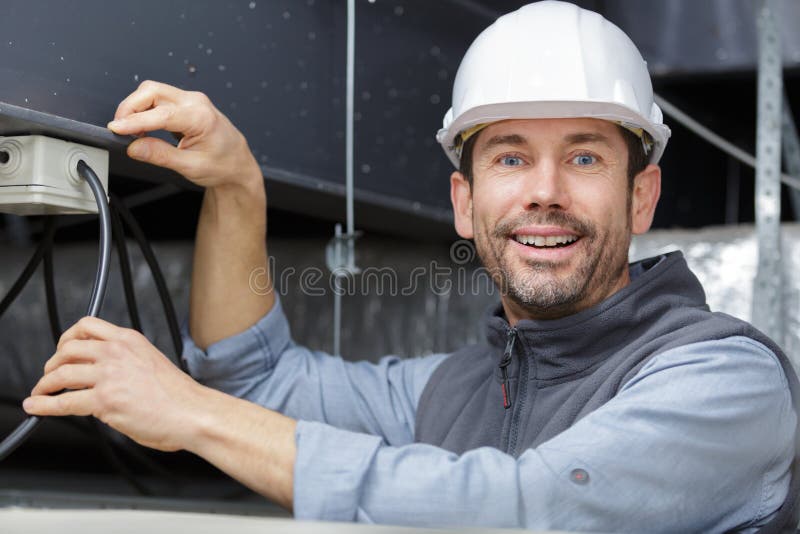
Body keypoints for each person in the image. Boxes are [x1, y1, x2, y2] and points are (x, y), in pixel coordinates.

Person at [21, 1, 799, 531]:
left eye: (586, 157)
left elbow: (528, 511)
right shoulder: (453, 391)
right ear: (466, 203)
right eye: (511, 156)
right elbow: (259, 388)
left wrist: (188, 411)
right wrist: (236, 187)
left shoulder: (725, 380)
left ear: (641, 197)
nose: (545, 193)